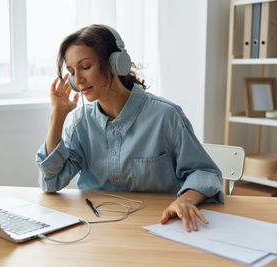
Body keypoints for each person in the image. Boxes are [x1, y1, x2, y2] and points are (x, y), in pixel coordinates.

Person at [36, 24, 223, 232]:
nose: (77, 80)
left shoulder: (165, 116)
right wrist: (57, 116)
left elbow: (205, 171)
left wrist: (186, 200)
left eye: (86, 66)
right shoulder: (79, 121)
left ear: (116, 63)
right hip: (97, 228)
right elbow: (50, 182)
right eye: (71, 72)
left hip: (160, 225)